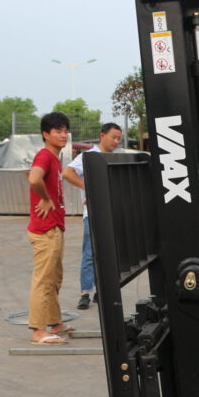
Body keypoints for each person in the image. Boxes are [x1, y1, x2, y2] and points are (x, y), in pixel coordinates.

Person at [62, 122, 123, 309]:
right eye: (114, 137)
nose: (116, 141)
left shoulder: (115, 158)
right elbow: (67, 173)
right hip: (94, 214)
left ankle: (102, 291)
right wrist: (88, 188)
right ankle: (85, 293)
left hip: (113, 213)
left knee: (109, 254)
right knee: (90, 254)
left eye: (119, 138)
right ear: (102, 136)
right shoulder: (88, 157)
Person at [27, 112, 72, 345]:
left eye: (65, 130)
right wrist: (44, 199)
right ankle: (38, 330)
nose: (63, 135)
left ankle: (55, 323)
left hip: (55, 227)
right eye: (57, 131)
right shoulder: (45, 155)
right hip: (45, 229)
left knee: (54, 279)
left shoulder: (56, 158)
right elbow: (34, 179)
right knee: (44, 281)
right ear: (46, 134)